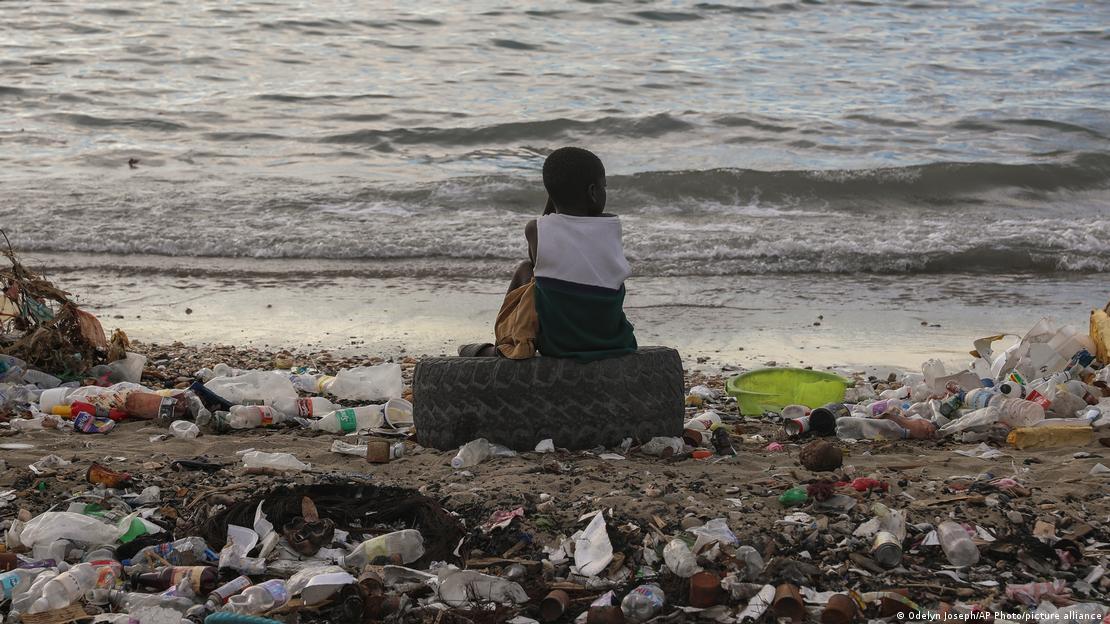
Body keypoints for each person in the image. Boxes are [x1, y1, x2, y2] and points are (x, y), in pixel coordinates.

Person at [459, 146, 637, 361]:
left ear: (551, 196)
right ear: (592, 192)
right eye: (603, 187)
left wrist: (554, 196)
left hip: (558, 344)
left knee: (526, 270)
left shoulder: (535, 229)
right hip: (615, 339)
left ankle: (505, 345)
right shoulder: (610, 224)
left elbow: (538, 266)